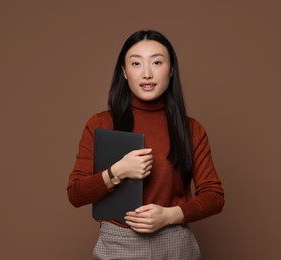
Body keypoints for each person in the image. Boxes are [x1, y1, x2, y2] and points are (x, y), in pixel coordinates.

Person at [67, 30, 225, 260]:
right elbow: (75, 194)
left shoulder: (191, 129)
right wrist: (117, 172)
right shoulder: (100, 124)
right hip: (116, 244)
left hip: (175, 243)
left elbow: (214, 196)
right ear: (124, 72)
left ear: (171, 70)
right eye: (136, 63)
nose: (147, 73)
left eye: (157, 62)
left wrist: (170, 215)